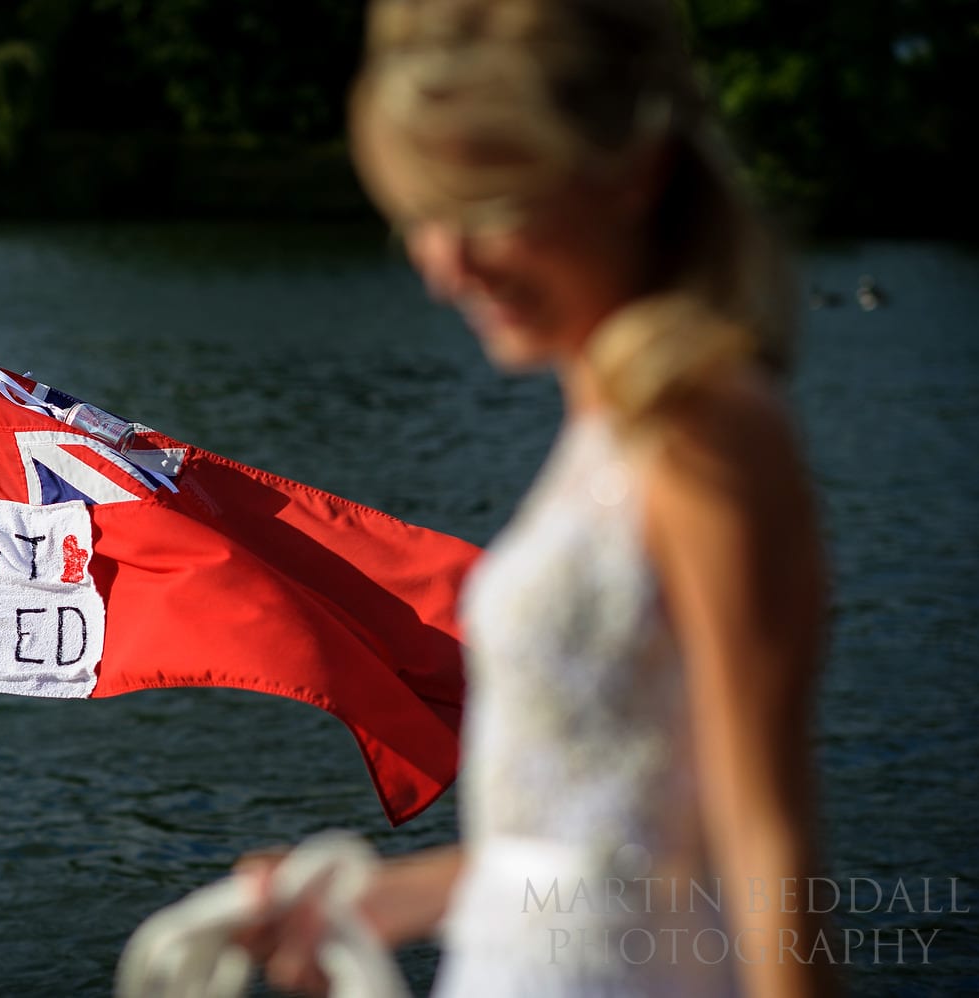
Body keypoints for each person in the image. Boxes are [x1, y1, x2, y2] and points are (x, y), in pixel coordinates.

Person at [232, 0, 840, 995]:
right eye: (424, 216)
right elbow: (595, 848)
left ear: (632, 174)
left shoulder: (707, 431)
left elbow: (764, 842)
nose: (444, 265)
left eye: (488, 209)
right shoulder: (605, 432)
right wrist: (389, 899)